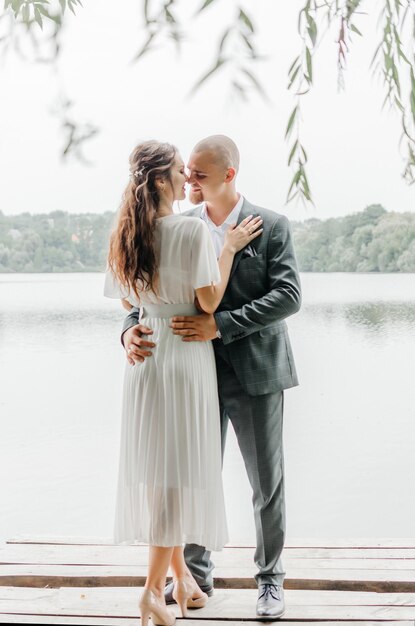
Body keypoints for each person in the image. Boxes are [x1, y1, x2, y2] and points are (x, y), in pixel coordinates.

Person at [122, 135, 301, 619]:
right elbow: (146, 295)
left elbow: (288, 296)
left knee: (266, 482)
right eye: (188, 172)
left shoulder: (272, 227)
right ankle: (195, 576)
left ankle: (270, 580)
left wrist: (220, 324)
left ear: (229, 175)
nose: (191, 179)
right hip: (190, 374)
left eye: (199, 173)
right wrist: (127, 333)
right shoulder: (177, 226)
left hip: (256, 373)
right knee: (192, 478)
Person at [104, 139, 263, 626]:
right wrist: (230, 248)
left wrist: (132, 328)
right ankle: (153, 591)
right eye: (178, 171)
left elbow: (125, 298)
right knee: (176, 478)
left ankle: (186, 583)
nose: (185, 179)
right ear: (159, 181)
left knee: (162, 473)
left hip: (147, 356)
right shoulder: (191, 232)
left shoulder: (125, 234)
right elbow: (210, 301)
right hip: (185, 355)